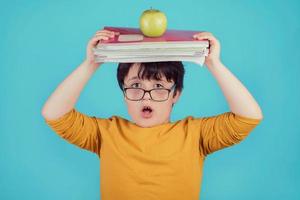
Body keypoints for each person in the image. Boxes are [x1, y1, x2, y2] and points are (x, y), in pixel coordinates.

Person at [41, 29, 263, 200]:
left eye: (158, 86)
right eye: (136, 85)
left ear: (175, 94)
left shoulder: (196, 135)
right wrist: (90, 64)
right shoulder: (105, 133)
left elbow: (249, 116)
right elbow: (53, 113)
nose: (146, 96)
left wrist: (214, 64)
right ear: (124, 93)